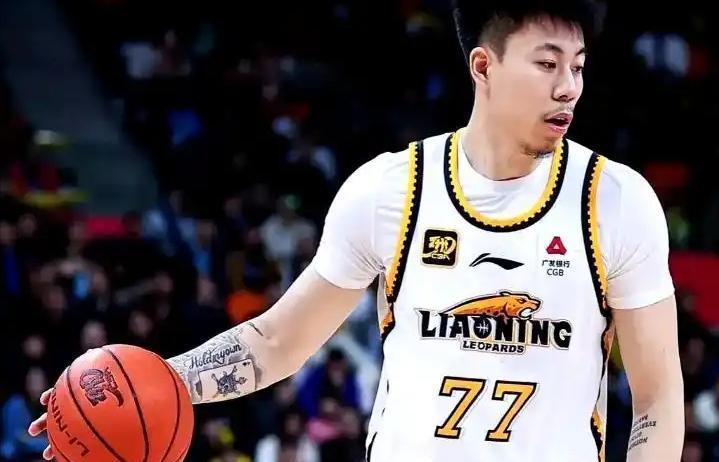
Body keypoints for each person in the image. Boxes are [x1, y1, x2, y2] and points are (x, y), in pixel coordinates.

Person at [28, 1, 684, 460]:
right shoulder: (391, 190)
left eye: (577, 66)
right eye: (547, 64)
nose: (569, 87)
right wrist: (135, 387)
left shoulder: (616, 202)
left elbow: (656, 399)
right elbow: (278, 342)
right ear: (483, 67)